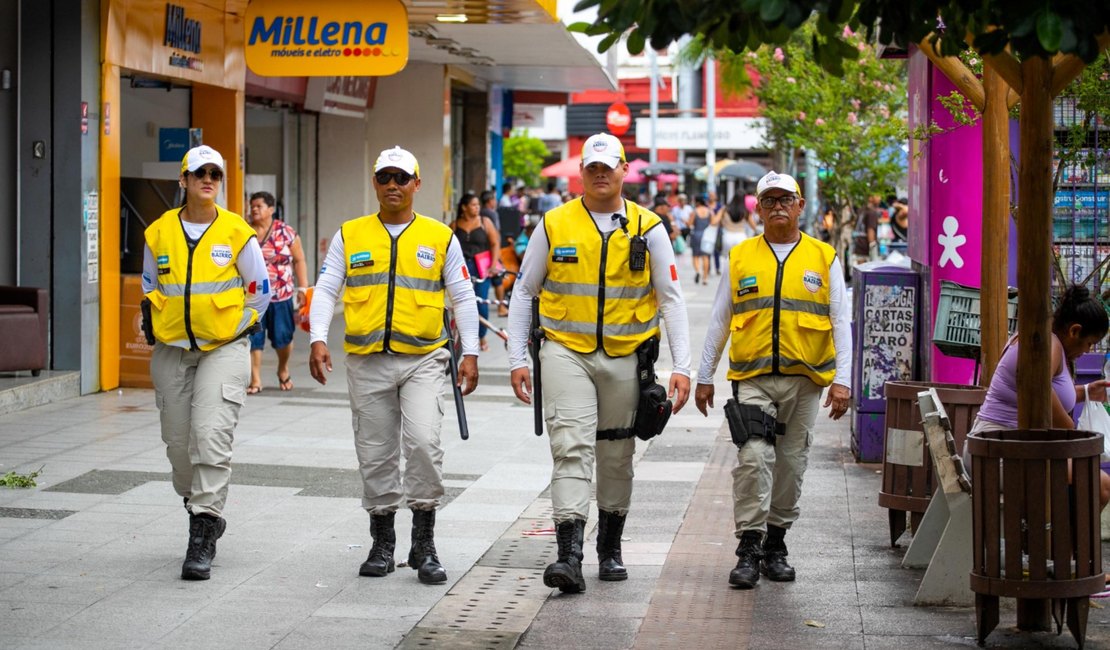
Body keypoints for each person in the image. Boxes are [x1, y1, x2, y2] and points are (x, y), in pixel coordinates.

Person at [507, 133, 692, 593]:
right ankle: (569, 555)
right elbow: (524, 292)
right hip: (565, 352)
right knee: (570, 447)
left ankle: (610, 548)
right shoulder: (553, 224)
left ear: (624, 169)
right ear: (581, 172)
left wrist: (683, 367)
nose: (600, 173)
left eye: (609, 166)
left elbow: (671, 299)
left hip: (627, 358)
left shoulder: (649, 227)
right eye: (592, 167)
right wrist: (516, 358)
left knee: (616, 453)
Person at [308, 146, 480, 585]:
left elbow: (462, 296)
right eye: (384, 177)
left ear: (416, 184)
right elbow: (327, 288)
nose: (392, 186)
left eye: (401, 178)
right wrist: (317, 338)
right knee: (375, 453)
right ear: (375, 183)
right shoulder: (351, 234)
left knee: (423, 443)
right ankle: (382, 543)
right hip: (367, 362)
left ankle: (424, 543)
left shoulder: (441, 237)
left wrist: (472, 353)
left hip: (424, 358)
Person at [694, 171, 852, 589]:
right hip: (753, 378)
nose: (778, 205)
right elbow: (719, 320)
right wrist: (704, 375)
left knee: (790, 464)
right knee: (753, 459)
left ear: (801, 205)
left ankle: (775, 546)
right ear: (758, 208)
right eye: (769, 200)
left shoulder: (824, 257)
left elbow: (841, 322)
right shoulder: (741, 256)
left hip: (805, 382)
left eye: (786, 198)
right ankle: (748, 548)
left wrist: (844, 381)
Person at [142, 145, 271, 580]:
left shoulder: (237, 232)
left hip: (224, 348)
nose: (208, 179)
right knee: (179, 447)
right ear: (184, 180)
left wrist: (240, 326)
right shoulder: (158, 232)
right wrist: (152, 319)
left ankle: (202, 530)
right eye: (200, 173)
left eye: (215, 173)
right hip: (172, 350)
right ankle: (200, 504)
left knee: (210, 435)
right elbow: (149, 285)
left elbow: (260, 290)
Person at [965, 285, 1110, 509]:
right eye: (1089, 343)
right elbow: (1038, 386)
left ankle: (1061, 542)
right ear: (1074, 331)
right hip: (999, 457)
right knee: (1100, 484)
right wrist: (1070, 428)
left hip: (995, 450)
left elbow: (1043, 391)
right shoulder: (1047, 345)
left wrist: (1086, 392)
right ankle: (1064, 543)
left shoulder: (1041, 340)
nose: (1088, 351)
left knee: (1094, 481)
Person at [246, 191, 308, 394]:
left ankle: (282, 368)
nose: (254, 209)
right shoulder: (245, 231)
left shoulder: (285, 232)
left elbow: (299, 260)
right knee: (253, 338)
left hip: (281, 295)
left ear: (271, 209)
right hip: (253, 297)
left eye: (259, 206)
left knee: (283, 338)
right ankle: (255, 379)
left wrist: (303, 288)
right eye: (252, 206)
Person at [450, 192, 502, 351]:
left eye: (478, 205)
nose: (477, 208)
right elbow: (447, 247)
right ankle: (463, 339)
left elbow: (495, 244)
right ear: (464, 207)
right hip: (461, 269)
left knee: (481, 304)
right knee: (461, 304)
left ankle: (481, 336)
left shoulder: (485, 222)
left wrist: (493, 265)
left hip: (481, 269)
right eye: (473, 205)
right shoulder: (454, 225)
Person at [687, 195, 713, 285]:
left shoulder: (694, 212)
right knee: (705, 257)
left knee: (695, 256)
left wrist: (686, 222)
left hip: (697, 234)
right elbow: (712, 223)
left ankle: (698, 271)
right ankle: (705, 278)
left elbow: (689, 224)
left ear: (697, 202)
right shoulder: (709, 211)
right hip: (706, 235)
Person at [851, 194, 883, 267]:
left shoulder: (861, 210)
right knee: (866, 270)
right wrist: (872, 247)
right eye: (877, 195)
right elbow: (870, 230)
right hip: (865, 248)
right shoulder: (872, 213)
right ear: (870, 198)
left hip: (858, 245)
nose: (879, 198)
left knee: (859, 271)